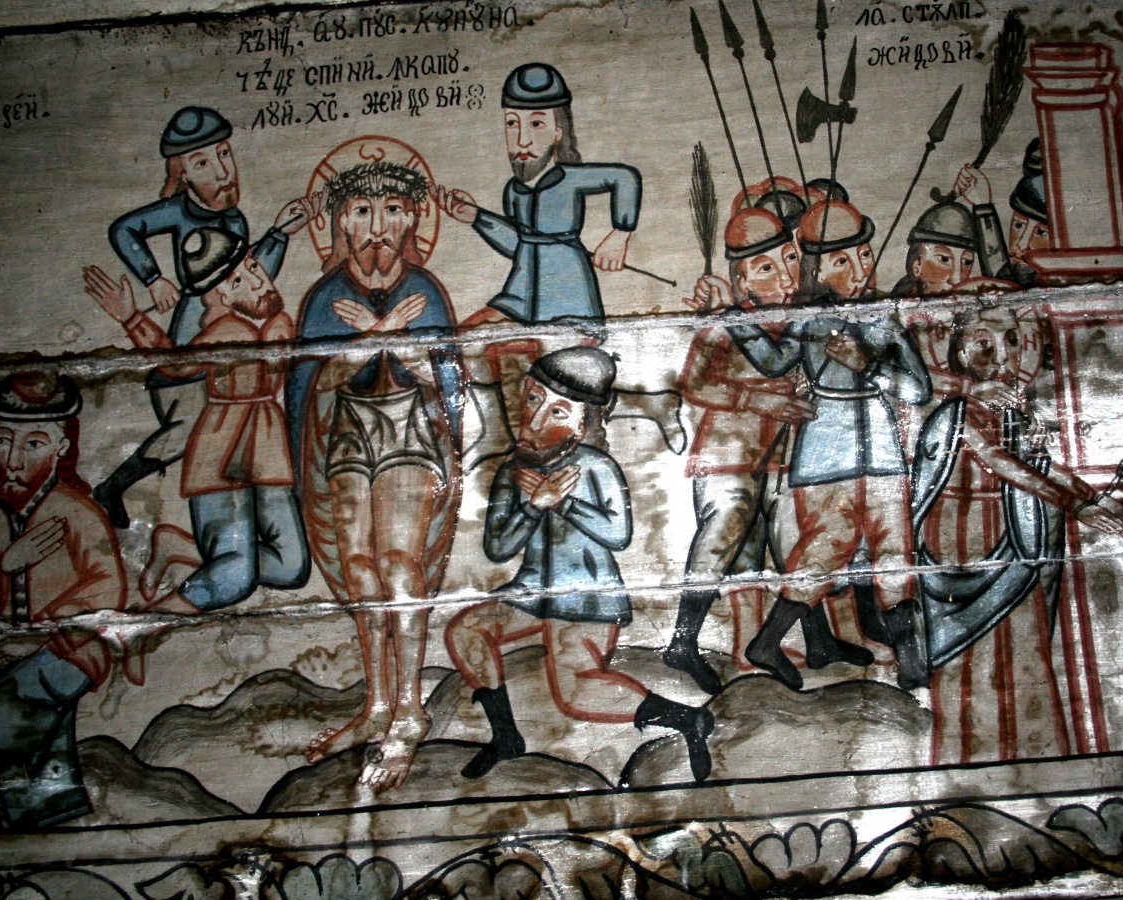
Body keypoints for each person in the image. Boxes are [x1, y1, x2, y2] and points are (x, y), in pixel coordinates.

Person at [446, 348, 715, 783]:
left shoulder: (594, 466)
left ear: (582, 422)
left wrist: (563, 502)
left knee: (576, 695)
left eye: (556, 411)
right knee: (467, 631)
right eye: (532, 400)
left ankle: (688, 719)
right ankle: (505, 737)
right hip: (532, 591)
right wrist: (533, 506)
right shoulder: (513, 472)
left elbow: (618, 533)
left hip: (586, 595)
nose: (535, 419)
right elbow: (498, 547)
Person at [287, 161, 463, 792]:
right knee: (359, 565)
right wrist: (383, 334)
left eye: (392, 210)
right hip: (345, 432)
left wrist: (377, 338)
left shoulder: (427, 291)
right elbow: (311, 383)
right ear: (341, 222)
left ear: (412, 218)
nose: (378, 226)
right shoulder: (324, 299)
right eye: (362, 211)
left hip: (411, 432)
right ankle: (377, 705)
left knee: (397, 561)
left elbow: (443, 382)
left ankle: (410, 710)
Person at [910, 306, 1123, 763]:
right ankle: (966, 757)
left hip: (1013, 543)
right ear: (958, 350)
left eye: (1012, 340)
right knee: (970, 663)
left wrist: (1096, 499)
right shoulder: (957, 411)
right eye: (984, 341)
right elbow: (1000, 462)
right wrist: (1076, 505)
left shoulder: (1009, 412)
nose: (1001, 354)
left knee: (1023, 652)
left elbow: (1038, 464)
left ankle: (1031, 752)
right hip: (964, 554)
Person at [728, 200, 933, 691]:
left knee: (895, 551)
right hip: (825, 455)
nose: (860, 270)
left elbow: (917, 388)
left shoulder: (882, 319)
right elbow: (774, 362)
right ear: (817, 269)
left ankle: (909, 658)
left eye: (864, 254)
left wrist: (870, 365)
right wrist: (737, 320)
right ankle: (767, 642)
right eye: (842, 260)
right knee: (824, 549)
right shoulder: (808, 319)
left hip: (882, 451)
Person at [98, 106, 322, 528]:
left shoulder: (234, 219)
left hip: (225, 350)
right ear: (181, 173)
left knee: (228, 432)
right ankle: (114, 485)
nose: (222, 171)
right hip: (189, 344)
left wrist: (279, 234)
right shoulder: (179, 212)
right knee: (192, 428)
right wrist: (153, 279)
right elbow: (123, 230)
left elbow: (250, 278)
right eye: (202, 163)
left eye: (224, 154)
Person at [82, 238, 308, 618]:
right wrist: (131, 318)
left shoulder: (278, 322)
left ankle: (179, 548)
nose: (258, 282)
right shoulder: (227, 330)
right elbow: (175, 366)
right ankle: (141, 626)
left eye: (254, 268)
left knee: (291, 568)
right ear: (219, 297)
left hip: (268, 448)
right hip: (222, 451)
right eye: (237, 282)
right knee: (235, 577)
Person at [666, 207, 830, 694]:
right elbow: (694, 382)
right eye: (765, 268)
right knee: (724, 533)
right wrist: (755, 399)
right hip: (729, 452)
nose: (784, 276)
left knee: (795, 541)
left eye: (789, 260)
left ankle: (817, 640)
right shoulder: (723, 326)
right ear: (741, 282)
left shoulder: (797, 322)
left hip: (780, 452)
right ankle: (682, 642)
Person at [0, 373, 126, 828]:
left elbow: (106, 586)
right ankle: (43, 808)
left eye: (32, 445)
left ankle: (38, 808)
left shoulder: (75, 513)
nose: (13, 460)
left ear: (61, 448)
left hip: (72, 647)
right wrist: (6, 565)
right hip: (3, 648)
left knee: (13, 704)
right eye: (2, 442)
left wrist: (47, 627)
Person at [436, 63, 642, 326]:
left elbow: (625, 177)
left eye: (536, 123)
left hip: (569, 297)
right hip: (520, 295)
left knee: (549, 348)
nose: (522, 140)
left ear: (558, 132)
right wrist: (476, 217)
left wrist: (620, 235)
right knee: (464, 333)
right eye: (512, 123)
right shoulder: (514, 190)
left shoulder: (569, 179)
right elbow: (518, 244)